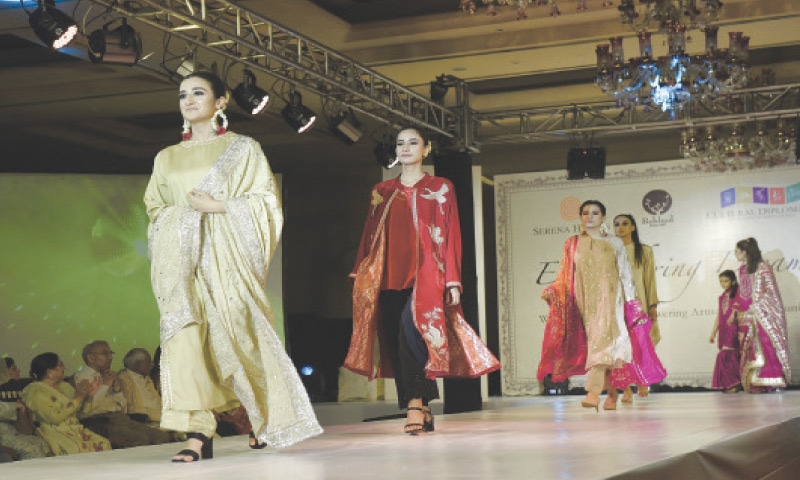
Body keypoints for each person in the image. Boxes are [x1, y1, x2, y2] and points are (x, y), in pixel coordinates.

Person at [144, 71, 321, 462]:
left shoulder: (243, 149)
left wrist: (219, 206)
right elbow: (155, 210)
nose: (188, 100)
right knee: (185, 340)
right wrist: (184, 220)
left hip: (227, 259)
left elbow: (264, 202)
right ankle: (197, 433)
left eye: (198, 93)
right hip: (182, 264)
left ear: (220, 100)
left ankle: (261, 417)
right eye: (182, 95)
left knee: (239, 333)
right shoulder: (166, 157)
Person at [343, 126, 500, 435]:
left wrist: (453, 280)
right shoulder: (382, 190)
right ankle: (424, 408)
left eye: (413, 142)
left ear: (425, 149)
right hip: (387, 276)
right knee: (397, 339)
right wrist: (361, 271)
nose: (405, 148)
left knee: (410, 333)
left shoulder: (441, 187)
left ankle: (415, 403)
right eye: (400, 143)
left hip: (428, 276)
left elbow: (452, 233)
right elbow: (369, 234)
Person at [538, 200, 665, 412]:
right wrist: (555, 291)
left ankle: (593, 392)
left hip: (610, 299)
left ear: (603, 217)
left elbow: (625, 274)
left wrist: (633, 303)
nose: (590, 217)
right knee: (599, 347)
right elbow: (565, 274)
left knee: (602, 342)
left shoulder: (614, 243)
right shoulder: (572, 243)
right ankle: (613, 393)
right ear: (580, 217)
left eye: (595, 213)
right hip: (583, 302)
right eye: (585, 213)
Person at [74, 341, 171, 448]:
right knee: (140, 439)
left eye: (111, 353)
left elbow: (124, 408)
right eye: (105, 353)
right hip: (99, 421)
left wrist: (117, 391)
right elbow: (86, 410)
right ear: (91, 358)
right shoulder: (81, 377)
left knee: (161, 436)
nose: (110, 357)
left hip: (121, 418)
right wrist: (105, 386)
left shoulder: (109, 375)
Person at [21, 352, 112, 455]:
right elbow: (55, 417)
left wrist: (89, 395)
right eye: (60, 365)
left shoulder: (64, 386)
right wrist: (79, 397)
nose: (64, 367)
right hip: (54, 431)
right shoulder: (36, 392)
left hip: (75, 429)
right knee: (75, 450)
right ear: (50, 372)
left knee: (104, 444)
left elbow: (82, 413)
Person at [733, 238, 791, 392]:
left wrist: (758, 307)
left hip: (763, 315)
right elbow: (743, 293)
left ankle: (774, 381)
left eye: (737, 251)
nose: (735, 254)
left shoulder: (763, 267)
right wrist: (739, 311)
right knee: (751, 348)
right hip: (747, 316)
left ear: (745, 252)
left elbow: (771, 293)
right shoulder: (741, 269)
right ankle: (757, 382)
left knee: (766, 345)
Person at [613, 214, 660, 402]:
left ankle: (642, 381)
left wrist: (652, 304)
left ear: (632, 227)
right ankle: (625, 388)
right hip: (618, 304)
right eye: (617, 225)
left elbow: (649, 280)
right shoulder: (611, 250)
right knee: (620, 345)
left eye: (625, 224)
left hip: (638, 304)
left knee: (641, 344)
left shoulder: (644, 251)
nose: (621, 228)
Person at [0, 358, 50, 461]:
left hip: (10, 431)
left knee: (42, 444)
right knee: (32, 449)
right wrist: (14, 406)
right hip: (2, 435)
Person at [709, 270, 742, 393]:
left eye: (726, 281)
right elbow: (719, 316)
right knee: (726, 355)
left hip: (733, 328)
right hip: (723, 330)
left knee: (728, 355)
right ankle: (733, 384)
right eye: (721, 281)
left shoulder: (738, 294)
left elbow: (740, 310)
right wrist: (713, 332)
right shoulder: (722, 297)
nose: (723, 283)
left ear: (732, 281)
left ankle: (734, 384)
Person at [117, 348, 162, 423]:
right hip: (147, 417)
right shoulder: (123, 379)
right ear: (137, 364)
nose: (152, 364)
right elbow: (134, 410)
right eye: (148, 362)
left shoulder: (147, 378)